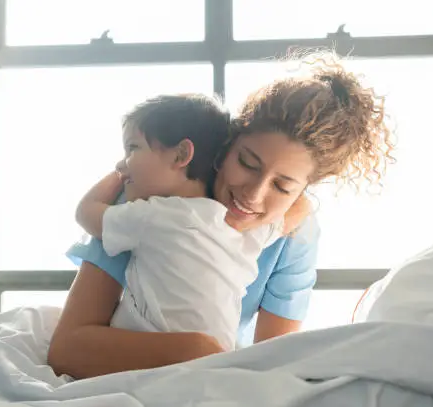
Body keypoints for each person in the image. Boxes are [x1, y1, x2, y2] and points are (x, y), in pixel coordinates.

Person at [48, 51, 395, 379]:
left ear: (303, 190)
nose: (253, 194)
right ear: (226, 145)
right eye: (247, 163)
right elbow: (67, 350)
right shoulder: (149, 204)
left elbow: (271, 363)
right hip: (139, 362)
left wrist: (212, 360)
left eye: (283, 186)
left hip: (214, 373)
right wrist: (197, 351)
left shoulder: (293, 235)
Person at [75, 94, 283, 352]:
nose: (122, 163)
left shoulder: (152, 216)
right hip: (220, 358)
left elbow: (85, 212)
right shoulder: (242, 229)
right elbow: (290, 216)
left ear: (181, 154)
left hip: (151, 363)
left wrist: (118, 176)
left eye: (132, 148)